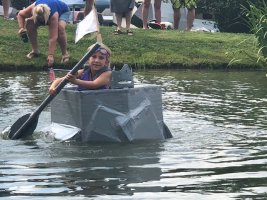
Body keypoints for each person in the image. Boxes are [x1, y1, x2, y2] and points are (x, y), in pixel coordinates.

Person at [17, 0, 70, 67]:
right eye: (38, 18)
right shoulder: (33, 8)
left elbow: (53, 37)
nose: (41, 21)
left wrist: (50, 55)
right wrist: (21, 28)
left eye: (42, 19)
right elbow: (20, 14)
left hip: (63, 11)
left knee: (60, 28)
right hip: (43, 13)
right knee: (30, 23)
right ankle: (35, 51)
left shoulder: (53, 16)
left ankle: (65, 54)